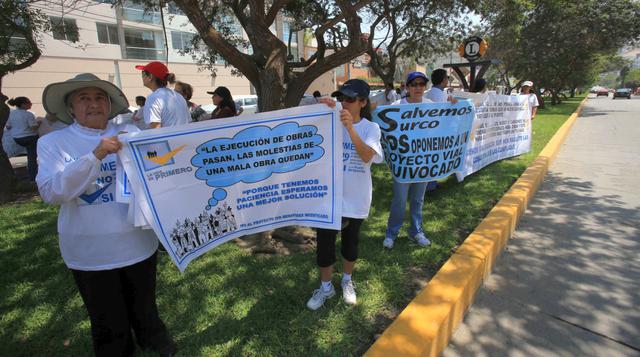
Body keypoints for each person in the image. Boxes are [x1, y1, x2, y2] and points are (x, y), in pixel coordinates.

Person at [37, 73, 176, 357]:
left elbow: (165, 172)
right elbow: (52, 192)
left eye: (100, 97)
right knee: (105, 313)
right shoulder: (53, 143)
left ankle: (153, 337)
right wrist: (96, 154)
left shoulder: (131, 135)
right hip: (90, 250)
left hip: (137, 242)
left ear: (109, 105)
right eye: (84, 98)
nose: (93, 104)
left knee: (145, 302)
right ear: (70, 108)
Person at [307, 79, 383, 310]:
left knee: (350, 244)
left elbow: (367, 156)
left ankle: (347, 281)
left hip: (355, 197)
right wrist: (317, 104)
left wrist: (350, 128)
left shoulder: (371, 128)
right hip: (327, 198)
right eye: (341, 98)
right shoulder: (327, 121)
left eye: (350, 99)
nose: (344, 103)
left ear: (362, 102)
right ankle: (326, 287)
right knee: (324, 246)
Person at [383, 72, 433, 250]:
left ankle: (416, 231)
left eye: (421, 84)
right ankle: (391, 233)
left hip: (423, 161)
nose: (418, 87)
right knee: (400, 199)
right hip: (403, 163)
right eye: (414, 84)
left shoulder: (431, 106)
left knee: (418, 199)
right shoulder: (397, 106)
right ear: (407, 87)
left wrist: (454, 105)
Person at [136, 61, 190, 128]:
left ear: (150, 77)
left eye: (143, 74)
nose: (142, 78)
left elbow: (155, 129)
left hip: (169, 138)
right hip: (183, 137)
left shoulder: (153, 98)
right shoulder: (178, 96)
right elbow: (188, 121)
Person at [6, 96, 39, 180]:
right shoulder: (29, 114)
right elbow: (33, 127)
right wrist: (39, 122)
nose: (31, 104)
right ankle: (33, 177)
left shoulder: (11, 113)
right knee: (32, 158)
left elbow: (8, 126)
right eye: (29, 102)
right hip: (30, 137)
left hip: (17, 138)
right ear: (23, 104)